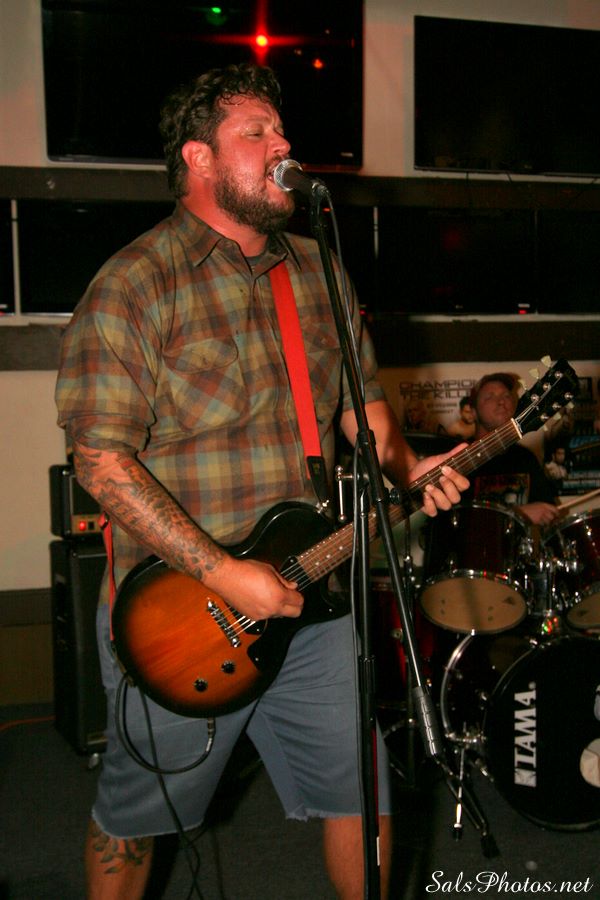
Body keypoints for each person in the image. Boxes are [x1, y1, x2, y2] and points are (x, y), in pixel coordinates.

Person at [55, 63, 468, 900]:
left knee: (364, 794)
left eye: (282, 131)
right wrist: (221, 571)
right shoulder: (136, 281)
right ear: (199, 158)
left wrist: (409, 466)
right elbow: (99, 460)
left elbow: (366, 414)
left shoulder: (317, 271)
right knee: (136, 819)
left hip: (310, 592)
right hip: (181, 617)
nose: (283, 146)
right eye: (257, 133)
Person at [466, 372, 559, 527]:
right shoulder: (458, 457)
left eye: (506, 396)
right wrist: (518, 513)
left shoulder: (525, 457)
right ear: (473, 413)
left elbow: (548, 512)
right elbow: (455, 520)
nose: (501, 401)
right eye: (490, 397)